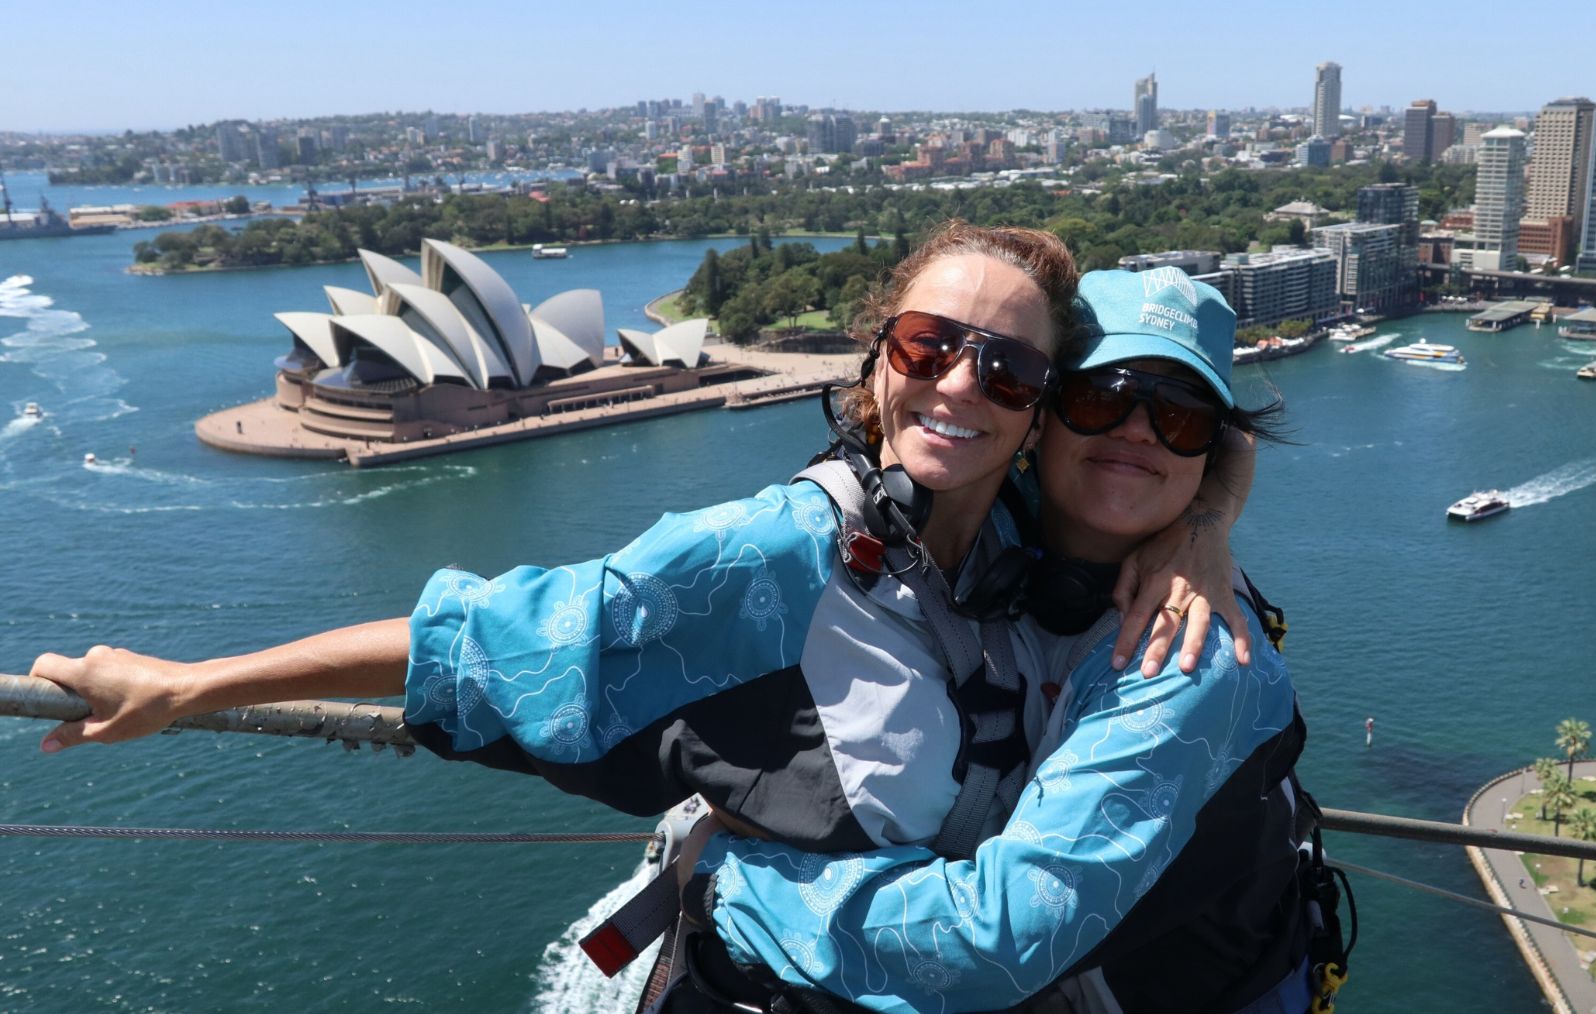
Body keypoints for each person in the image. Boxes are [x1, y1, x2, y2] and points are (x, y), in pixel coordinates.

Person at [27, 227, 1256, 996]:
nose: (961, 384)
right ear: (879, 362)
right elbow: (490, 636)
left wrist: (1208, 525)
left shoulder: (1026, 543)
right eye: (930, 344)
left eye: (1012, 368)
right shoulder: (781, 548)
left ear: (1042, 409)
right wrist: (188, 685)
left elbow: (1155, 457)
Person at [668, 269, 1318, 1013]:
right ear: (1039, 417)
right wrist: (1212, 515)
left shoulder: (1196, 651)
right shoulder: (996, 536)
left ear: (1206, 451)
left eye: (1183, 417)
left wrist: (735, 882)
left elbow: (1001, 940)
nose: (1138, 430)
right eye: (1102, 397)